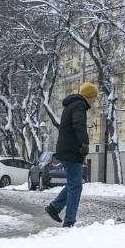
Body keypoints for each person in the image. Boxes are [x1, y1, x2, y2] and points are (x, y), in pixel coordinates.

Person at [45, 82, 98, 227]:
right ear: (89, 96)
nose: (95, 100)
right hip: (72, 151)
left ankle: (54, 207)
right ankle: (69, 221)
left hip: (67, 149)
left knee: (73, 184)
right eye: (94, 97)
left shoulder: (73, 104)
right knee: (76, 186)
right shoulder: (79, 106)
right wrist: (84, 143)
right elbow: (78, 125)